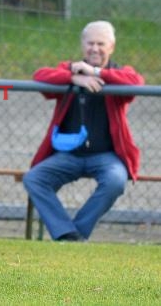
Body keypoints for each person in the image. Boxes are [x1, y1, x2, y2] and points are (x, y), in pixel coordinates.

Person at [23, 20, 144, 242]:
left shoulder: (119, 73)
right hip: (68, 155)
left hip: (106, 157)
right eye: (90, 43)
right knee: (34, 178)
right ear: (82, 45)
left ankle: (74, 233)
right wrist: (73, 77)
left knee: (116, 180)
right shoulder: (71, 69)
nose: (95, 48)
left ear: (111, 47)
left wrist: (97, 72)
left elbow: (136, 82)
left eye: (101, 44)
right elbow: (40, 76)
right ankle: (67, 233)